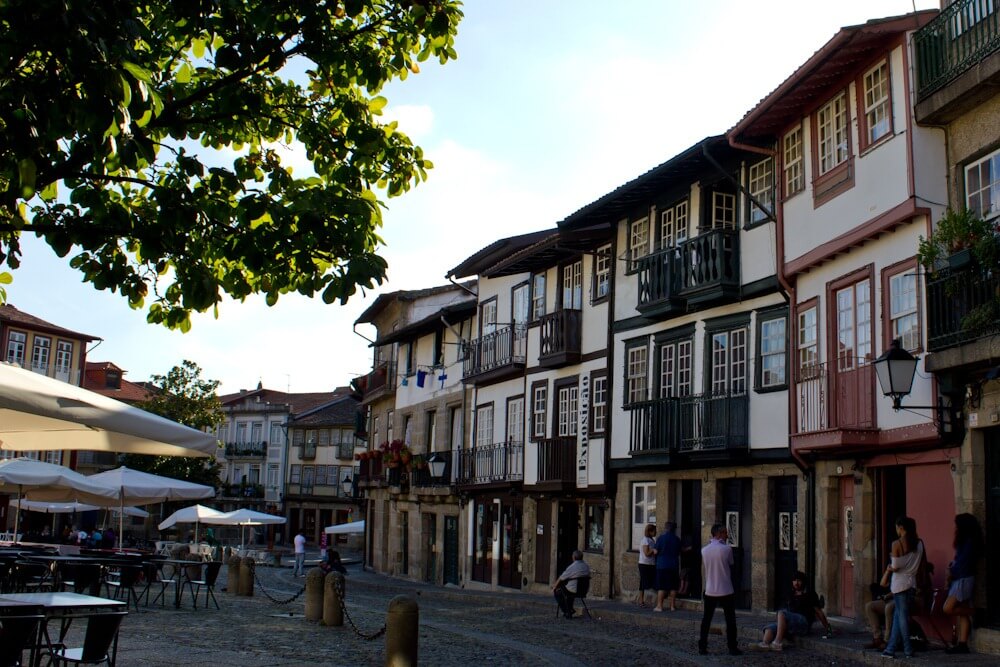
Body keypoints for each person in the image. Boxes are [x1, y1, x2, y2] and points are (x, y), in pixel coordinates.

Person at [881, 516, 925, 660]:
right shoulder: (919, 543)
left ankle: (908, 649)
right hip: (911, 583)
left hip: (899, 584)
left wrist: (889, 569)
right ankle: (890, 649)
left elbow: (895, 566)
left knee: (902, 617)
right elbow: (921, 565)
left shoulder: (897, 544)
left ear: (900, 527)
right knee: (898, 616)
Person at [757, 571, 831, 650]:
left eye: (799, 580)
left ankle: (777, 642)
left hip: (803, 623)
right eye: (794, 580)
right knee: (770, 628)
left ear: (803, 582)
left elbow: (819, 612)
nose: (796, 583)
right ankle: (764, 644)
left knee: (781, 613)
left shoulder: (810, 594)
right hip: (791, 624)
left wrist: (828, 628)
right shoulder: (791, 594)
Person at [698, 523, 742, 656]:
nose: (727, 535)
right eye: (725, 533)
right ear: (719, 534)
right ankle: (732, 647)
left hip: (710, 589)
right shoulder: (727, 549)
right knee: (730, 620)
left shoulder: (704, 550)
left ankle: (702, 646)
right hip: (725, 589)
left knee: (706, 619)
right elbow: (731, 564)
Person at [943, 513, 984, 655]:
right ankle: (963, 643)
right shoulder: (966, 541)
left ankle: (977, 612)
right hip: (961, 577)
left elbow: (963, 563)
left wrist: (951, 572)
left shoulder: (969, 541)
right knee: (962, 612)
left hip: (963, 578)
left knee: (948, 608)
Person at [552, 550, 591, 619]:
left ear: (574, 557)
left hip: (574, 590)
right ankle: (570, 609)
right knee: (568, 591)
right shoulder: (586, 566)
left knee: (557, 591)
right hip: (583, 590)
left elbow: (562, 577)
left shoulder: (572, 567)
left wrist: (554, 586)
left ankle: (567, 611)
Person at [653, 521, 680, 612]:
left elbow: (655, 552)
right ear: (674, 529)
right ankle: (672, 606)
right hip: (674, 565)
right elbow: (680, 550)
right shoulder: (676, 539)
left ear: (665, 528)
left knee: (661, 587)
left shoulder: (661, 538)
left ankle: (659, 606)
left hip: (662, 565)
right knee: (673, 586)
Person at [636, 523, 656, 608]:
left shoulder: (651, 539)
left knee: (646, 582)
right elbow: (646, 553)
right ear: (650, 531)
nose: (656, 532)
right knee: (643, 583)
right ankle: (641, 601)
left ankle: (642, 600)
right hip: (644, 564)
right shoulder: (646, 540)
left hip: (650, 564)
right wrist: (653, 550)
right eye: (654, 531)